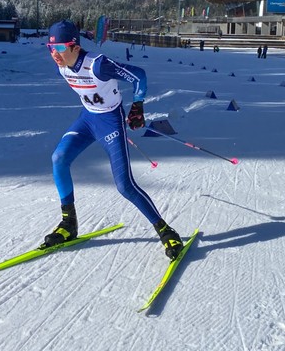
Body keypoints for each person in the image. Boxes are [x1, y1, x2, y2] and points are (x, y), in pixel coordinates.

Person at [44, 20, 183, 260]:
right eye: (51, 48)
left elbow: (139, 76)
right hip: (87, 120)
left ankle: (165, 230)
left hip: (110, 123)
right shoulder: (62, 66)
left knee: (124, 186)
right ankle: (69, 223)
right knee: (59, 158)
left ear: (76, 47)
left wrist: (138, 105)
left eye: (62, 48)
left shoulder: (98, 65)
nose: (56, 54)